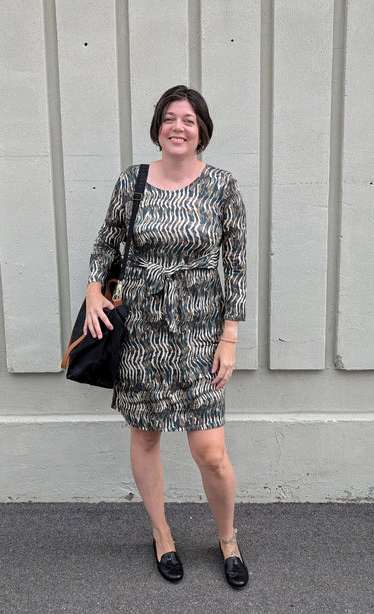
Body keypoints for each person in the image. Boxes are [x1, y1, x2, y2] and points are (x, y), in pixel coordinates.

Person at [84, 85, 248, 588]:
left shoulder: (223, 187)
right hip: (141, 330)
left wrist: (229, 338)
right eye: (170, 118)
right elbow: (105, 244)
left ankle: (228, 540)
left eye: (189, 120)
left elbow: (237, 268)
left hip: (199, 330)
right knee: (147, 434)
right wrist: (94, 290)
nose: (179, 126)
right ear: (158, 127)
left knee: (211, 453)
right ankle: (162, 534)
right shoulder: (131, 182)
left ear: (202, 131)